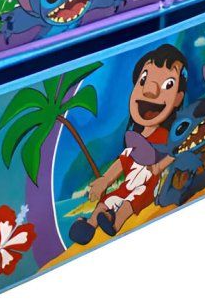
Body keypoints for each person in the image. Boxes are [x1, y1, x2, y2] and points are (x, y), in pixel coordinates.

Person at [68, 44, 188, 245]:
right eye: (144, 80)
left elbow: (170, 154)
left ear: (177, 99)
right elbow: (122, 163)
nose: (150, 91)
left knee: (131, 202)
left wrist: (158, 166)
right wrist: (105, 181)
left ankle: (115, 225)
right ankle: (91, 224)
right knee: (108, 201)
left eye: (168, 84)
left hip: (147, 185)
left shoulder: (165, 136)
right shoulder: (134, 139)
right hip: (127, 184)